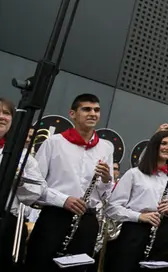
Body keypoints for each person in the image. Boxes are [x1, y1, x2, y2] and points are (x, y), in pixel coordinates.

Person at [26, 94, 114, 271]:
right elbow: (34, 185)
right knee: (40, 264)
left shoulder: (106, 147)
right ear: (72, 114)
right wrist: (63, 200)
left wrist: (106, 180)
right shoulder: (53, 143)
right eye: (86, 109)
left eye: (96, 110)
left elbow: (106, 194)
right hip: (54, 217)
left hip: (87, 221)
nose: (93, 113)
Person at [104, 129, 168, 271]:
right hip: (134, 232)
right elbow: (112, 208)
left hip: (161, 233)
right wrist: (139, 216)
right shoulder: (134, 174)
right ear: (154, 146)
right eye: (163, 143)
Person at [0, 98, 45, 271]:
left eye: (6, 113)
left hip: (6, 224)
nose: (2, 117)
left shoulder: (23, 157)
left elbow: (36, 192)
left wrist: (19, 179)